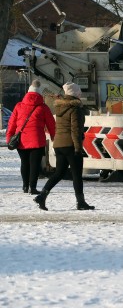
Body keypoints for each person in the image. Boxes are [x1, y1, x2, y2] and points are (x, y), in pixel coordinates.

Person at [34, 82, 94, 211]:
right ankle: (81, 202)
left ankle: (42, 195)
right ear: (75, 94)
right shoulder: (75, 108)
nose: (80, 94)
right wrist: (78, 148)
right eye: (79, 92)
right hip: (71, 145)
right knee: (77, 175)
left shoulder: (60, 107)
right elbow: (75, 130)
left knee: (59, 173)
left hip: (59, 144)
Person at [7, 80, 56, 194]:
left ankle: (25, 186)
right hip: (37, 141)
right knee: (35, 164)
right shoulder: (43, 107)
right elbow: (51, 124)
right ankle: (32, 188)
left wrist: (9, 137)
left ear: (27, 93)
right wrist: (53, 136)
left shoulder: (19, 106)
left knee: (24, 163)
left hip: (21, 140)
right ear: (39, 94)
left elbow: (12, 123)